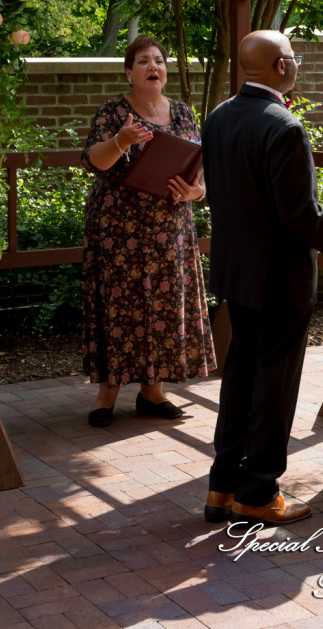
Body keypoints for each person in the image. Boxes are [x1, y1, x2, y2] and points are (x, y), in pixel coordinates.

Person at [202, 30, 323, 525]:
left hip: (236, 270)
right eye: (293, 59)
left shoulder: (218, 118)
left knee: (239, 376)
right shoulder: (284, 126)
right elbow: (300, 215)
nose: (296, 65)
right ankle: (258, 492)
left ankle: (222, 486)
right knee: (275, 382)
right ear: (280, 66)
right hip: (279, 276)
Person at [81, 35, 215, 427]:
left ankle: (153, 393)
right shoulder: (113, 112)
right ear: (129, 71)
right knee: (119, 306)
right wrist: (120, 141)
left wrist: (197, 192)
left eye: (158, 60)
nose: (153, 66)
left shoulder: (184, 113)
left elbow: (201, 170)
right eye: (143, 61)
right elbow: (95, 161)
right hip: (118, 230)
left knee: (163, 305)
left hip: (170, 230)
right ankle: (106, 395)